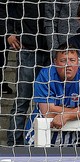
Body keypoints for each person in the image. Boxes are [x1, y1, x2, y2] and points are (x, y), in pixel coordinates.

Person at [25, 44, 80, 146]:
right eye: (63, 61)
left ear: (78, 61)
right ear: (55, 62)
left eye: (72, 60)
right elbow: (47, 112)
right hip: (38, 136)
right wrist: (78, 111)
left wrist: (65, 115)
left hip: (70, 140)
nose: (68, 65)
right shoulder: (46, 75)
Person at [6, 0, 51, 146]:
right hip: (28, 48)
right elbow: (7, 7)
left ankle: (48, 141)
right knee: (22, 100)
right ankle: (14, 144)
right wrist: (8, 32)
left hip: (53, 50)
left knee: (51, 100)